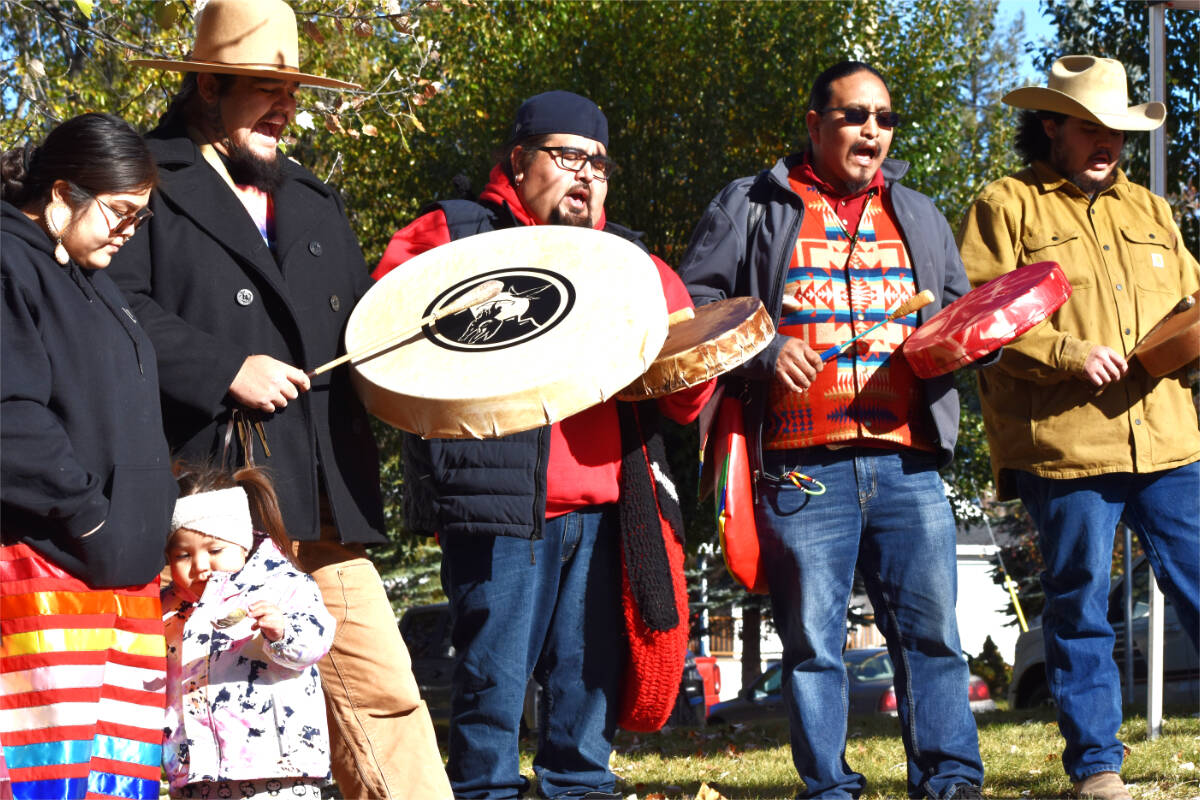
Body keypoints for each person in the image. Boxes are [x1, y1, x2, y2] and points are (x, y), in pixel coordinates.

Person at [107, 1, 450, 797]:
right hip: (207, 515)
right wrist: (225, 366)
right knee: (204, 731)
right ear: (206, 85)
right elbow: (109, 307)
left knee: (386, 696)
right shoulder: (143, 181)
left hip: (322, 500)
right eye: (265, 86)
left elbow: (369, 330)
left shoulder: (314, 199)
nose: (287, 105)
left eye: (292, 88)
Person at [374, 90, 713, 800]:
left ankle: (580, 791)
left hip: (607, 509)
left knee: (586, 693)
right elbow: (388, 339)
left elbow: (687, 391)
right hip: (499, 509)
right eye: (568, 157)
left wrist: (691, 360)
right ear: (519, 161)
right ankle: (485, 792)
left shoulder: (628, 261)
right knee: (491, 689)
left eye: (600, 164)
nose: (587, 176)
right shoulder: (454, 233)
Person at [677, 61, 986, 799]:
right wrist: (764, 348)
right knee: (814, 645)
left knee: (932, 636)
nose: (871, 132)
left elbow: (957, 310)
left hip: (907, 463)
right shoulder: (753, 204)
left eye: (883, 119)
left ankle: (950, 782)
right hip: (803, 465)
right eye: (853, 116)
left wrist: (968, 337)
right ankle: (829, 789)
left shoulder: (918, 211)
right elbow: (693, 301)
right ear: (814, 124)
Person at [958, 55, 1199, 800]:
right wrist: (1065, 353)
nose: (1109, 142)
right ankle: (1097, 768)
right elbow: (977, 322)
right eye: (1092, 127)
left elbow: (1191, 305)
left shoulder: (1154, 212)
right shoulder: (1005, 207)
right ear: (1051, 127)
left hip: (1169, 439)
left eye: (1120, 131)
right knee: (1080, 604)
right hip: (1065, 447)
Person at [1, 113, 176, 800]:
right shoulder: (10, 261)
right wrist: (88, 516)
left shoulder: (89, 274)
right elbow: (10, 415)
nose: (132, 230)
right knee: (51, 784)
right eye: (121, 212)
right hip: (48, 572)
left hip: (121, 583)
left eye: (143, 214)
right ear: (62, 194)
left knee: (115, 785)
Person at [162, 464, 335, 799]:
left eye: (214, 551)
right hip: (196, 770)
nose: (200, 566)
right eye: (183, 555)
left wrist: (282, 631)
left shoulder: (282, 584)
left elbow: (316, 639)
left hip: (278, 767)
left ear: (242, 543)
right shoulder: (167, 608)